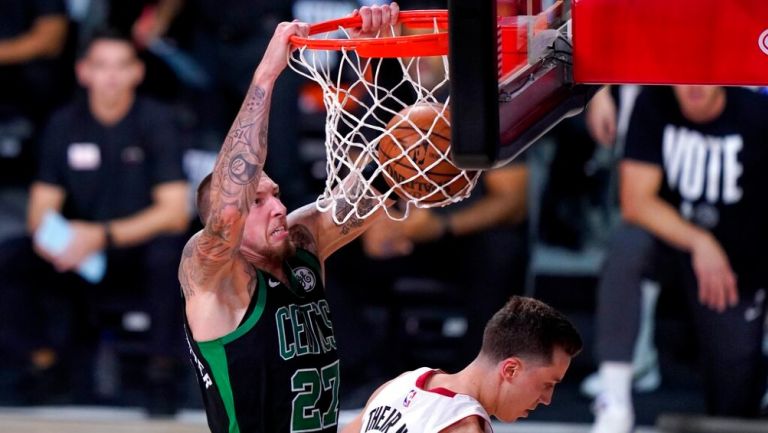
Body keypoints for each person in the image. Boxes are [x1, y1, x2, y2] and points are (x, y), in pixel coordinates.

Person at [177, 5, 400, 433]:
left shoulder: (304, 247)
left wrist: (384, 53)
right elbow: (228, 206)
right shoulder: (215, 279)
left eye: (276, 194)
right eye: (257, 201)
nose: (278, 207)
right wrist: (265, 75)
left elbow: (387, 169)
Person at [0, 28, 189, 409]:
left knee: (173, 255)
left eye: (122, 66)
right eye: (101, 66)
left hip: (136, 246)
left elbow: (174, 212)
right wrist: (58, 239)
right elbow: (41, 210)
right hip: (80, 251)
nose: (111, 76)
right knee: (10, 259)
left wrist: (102, 235)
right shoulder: (63, 124)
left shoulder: (157, 121)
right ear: (83, 72)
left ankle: (162, 373)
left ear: (137, 72)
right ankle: (45, 364)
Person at [590, 86, 768, 433]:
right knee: (627, 244)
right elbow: (636, 202)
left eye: (705, 75)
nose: (694, 86)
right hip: (672, 240)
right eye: (685, 75)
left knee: (732, 403)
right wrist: (700, 242)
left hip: (739, 257)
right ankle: (614, 400)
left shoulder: (756, 115)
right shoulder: (653, 102)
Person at [340, 295, 582, 433]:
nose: (547, 399)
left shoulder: (400, 384)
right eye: (547, 384)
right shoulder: (465, 427)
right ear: (510, 369)